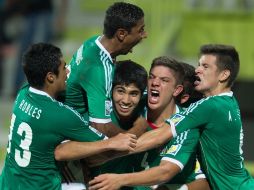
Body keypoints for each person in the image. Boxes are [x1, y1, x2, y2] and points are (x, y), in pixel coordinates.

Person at [0, 43, 137, 190]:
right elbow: (107, 143)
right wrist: (112, 142)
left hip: (8, 183)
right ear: (50, 77)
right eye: (64, 67)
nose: (68, 71)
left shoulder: (23, 94)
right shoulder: (60, 115)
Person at [117, 44, 254, 189]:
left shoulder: (209, 106)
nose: (198, 70)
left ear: (224, 75)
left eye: (205, 67)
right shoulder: (229, 102)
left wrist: (109, 150)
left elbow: (160, 136)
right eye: (199, 65)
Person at [88, 57, 209, 190]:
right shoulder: (129, 102)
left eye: (164, 80)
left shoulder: (187, 124)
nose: (155, 83)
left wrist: (119, 179)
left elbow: (166, 171)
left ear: (177, 90)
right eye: (152, 77)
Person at [61, 2, 148, 137]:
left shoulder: (94, 42)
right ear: (122, 34)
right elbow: (101, 127)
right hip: (68, 132)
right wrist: (134, 134)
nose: (144, 35)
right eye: (140, 30)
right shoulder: (99, 69)